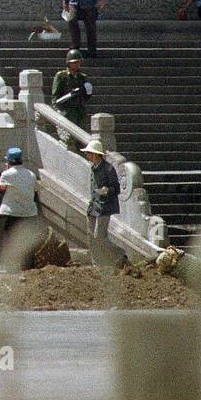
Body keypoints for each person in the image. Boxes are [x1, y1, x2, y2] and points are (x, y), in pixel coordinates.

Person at [0, 147, 40, 267]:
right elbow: (35, 190)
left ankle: (10, 266)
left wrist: (5, 172)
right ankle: (28, 266)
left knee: (10, 240)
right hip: (29, 213)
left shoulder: (7, 174)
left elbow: (0, 187)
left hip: (12, 212)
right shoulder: (31, 174)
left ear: (9, 161)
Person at [83, 139, 122, 270]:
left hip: (105, 207)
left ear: (95, 154)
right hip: (93, 206)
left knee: (100, 237)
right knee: (91, 236)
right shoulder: (93, 168)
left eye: (89, 153)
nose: (87, 156)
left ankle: (119, 254)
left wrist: (106, 191)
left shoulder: (108, 169)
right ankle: (96, 263)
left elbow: (116, 189)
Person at [51, 50, 93, 137]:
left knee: (82, 135)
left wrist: (88, 93)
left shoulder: (82, 77)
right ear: (69, 63)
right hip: (67, 110)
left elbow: (85, 98)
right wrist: (57, 111)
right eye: (74, 62)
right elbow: (55, 96)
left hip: (80, 111)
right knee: (70, 136)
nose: (77, 64)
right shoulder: (62, 76)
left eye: (79, 62)